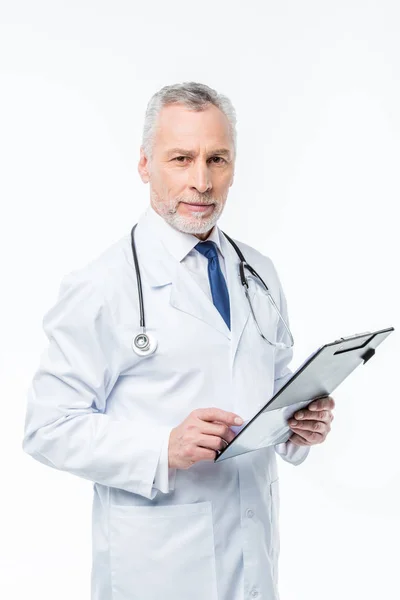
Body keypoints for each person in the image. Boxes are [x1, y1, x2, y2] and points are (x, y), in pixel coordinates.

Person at [22, 81, 335, 600]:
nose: (202, 181)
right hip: (157, 564)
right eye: (181, 158)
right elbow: (47, 427)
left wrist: (298, 423)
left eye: (217, 159)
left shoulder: (259, 271)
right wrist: (161, 448)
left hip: (252, 548)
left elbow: (271, 382)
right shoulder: (103, 286)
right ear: (145, 165)